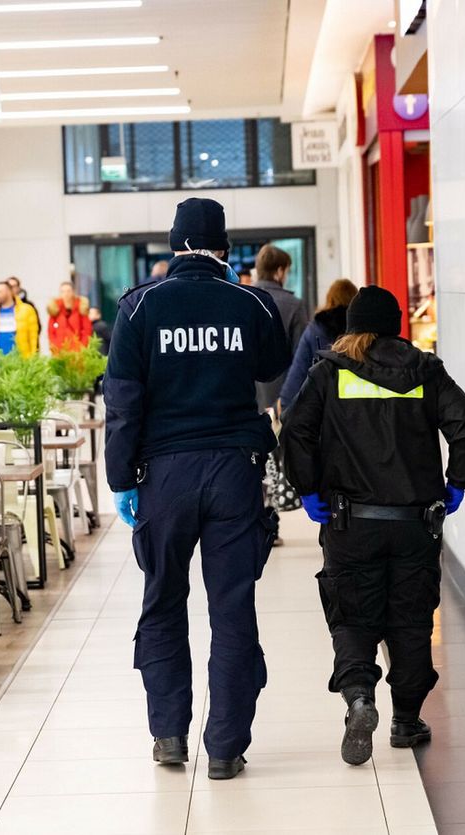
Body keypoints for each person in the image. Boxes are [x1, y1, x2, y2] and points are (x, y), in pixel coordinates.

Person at [105, 198, 290, 781]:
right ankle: (226, 747)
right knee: (231, 606)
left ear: (174, 244)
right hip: (235, 470)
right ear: (224, 248)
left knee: (163, 600)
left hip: (164, 476)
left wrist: (119, 478)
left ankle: (168, 734)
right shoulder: (250, 302)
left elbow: (123, 403)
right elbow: (272, 366)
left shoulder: (138, 309)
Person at [281, 286, 465, 766]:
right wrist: (458, 484)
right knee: (410, 620)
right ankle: (406, 721)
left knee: (353, 616)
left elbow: (295, 430)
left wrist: (308, 491)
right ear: (395, 324)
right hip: (415, 523)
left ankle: (359, 699)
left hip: (351, 524)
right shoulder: (424, 370)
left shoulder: (329, 372)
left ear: (351, 324)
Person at [279, 278, 358, 412]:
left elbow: (298, 372)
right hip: (357, 408)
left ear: (330, 300)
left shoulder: (316, 329)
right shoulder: (361, 333)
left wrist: (284, 403)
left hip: (323, 409)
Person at [253, 244, 308, 414]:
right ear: (279, 271)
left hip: (246, 401)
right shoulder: (294, 305)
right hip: (282, 403)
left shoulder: (239, 300)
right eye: (287, 271)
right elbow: (302, 357)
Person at [0, 280, 39, 359]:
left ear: (9, 292)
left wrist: (33, 356)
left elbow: (33, 337)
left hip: (20, 358)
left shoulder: (26, 310)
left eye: (0, 292)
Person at [47, 281, 93, 351]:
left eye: (68, 291)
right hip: (60, 351)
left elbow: (87, 330)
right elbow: (51, 332)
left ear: (73, 292)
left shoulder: (81, 308)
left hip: (78, 352)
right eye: (63, 291)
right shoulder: (55, 310)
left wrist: (82, 347)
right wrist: (55, 347)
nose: (66, 294)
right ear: (60, 293)